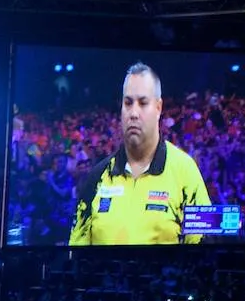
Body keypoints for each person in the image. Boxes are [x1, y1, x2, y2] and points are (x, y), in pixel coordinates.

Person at [69, 62, 218, 246]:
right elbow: (75, 254)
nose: (133, 113)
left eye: (143, 103)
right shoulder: (97, 177)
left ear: (158, 108)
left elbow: (204, 253)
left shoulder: (186, 171)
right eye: (128, 103)